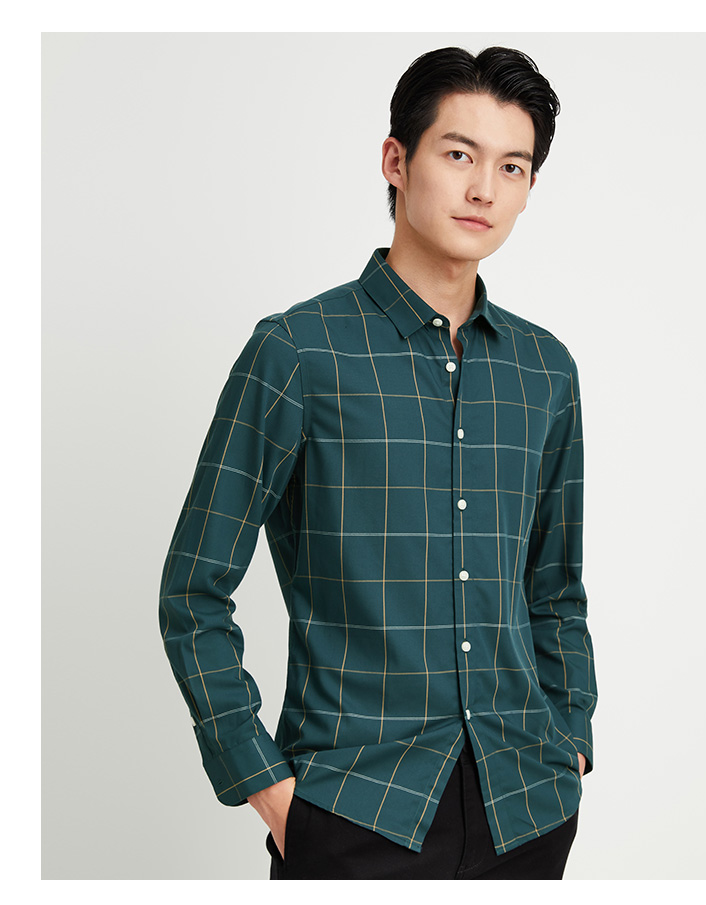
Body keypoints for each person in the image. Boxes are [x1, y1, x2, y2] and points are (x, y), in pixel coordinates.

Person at [159, 45, 597, 881]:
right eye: (459, 154)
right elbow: (193, 589)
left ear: (529, 186)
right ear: (397, 160)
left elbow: (555, 587)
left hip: (526, 809)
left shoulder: (545, 370)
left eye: (512, 167)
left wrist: (570, 738)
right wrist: (266, 784)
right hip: (353, 812)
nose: (484, 189)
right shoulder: (299, 351)